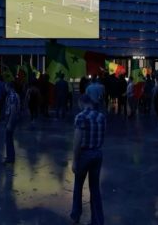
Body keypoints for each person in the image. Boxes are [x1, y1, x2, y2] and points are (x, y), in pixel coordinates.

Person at [70, 94, 106, 225]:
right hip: (97, 154)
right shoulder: (101, 117)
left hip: (84, 155)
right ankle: (97, 220)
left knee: (78, 186)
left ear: (81, 102)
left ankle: (76, 215)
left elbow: (77, 141)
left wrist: (74, 160)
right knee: (95, 188)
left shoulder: (81, 117)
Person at [3, 82, 20, 164]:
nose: (5, 89)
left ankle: (10, 158)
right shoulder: (16, 95)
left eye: (5, 87)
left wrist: (9, 123)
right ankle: (10, 156)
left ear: (9, 87)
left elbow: (13, 110)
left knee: (8, 139)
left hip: (11, 119)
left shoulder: (12, 96)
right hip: (13, 119)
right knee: (9, 139)